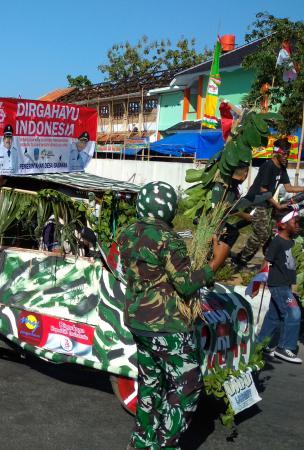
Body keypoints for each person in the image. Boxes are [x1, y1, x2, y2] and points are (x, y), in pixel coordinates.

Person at [116, 181, 229, 450]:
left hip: (138, 323)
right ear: (169, 209)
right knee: (187, 387)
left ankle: (141, 442)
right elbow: (186, 283)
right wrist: (217, 261)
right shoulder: (168, 240)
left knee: (151, 383)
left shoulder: (126, 233)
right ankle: (166, 445)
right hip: (167, 327)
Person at [233, 138, 304, 267]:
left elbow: (289, 187)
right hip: (256, 202)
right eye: (284, 154)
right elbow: (263, 190)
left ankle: (270, 261)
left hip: (267, 204)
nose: (286, 156)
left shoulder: (282, 168)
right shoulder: (268, 166)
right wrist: (277, 205)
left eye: (287, 154)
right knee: (262, 233)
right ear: (276, 152)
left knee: (271, 233)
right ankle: (240, 259)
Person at [255, 209, 302, 364]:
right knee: (293, 312)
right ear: (283, 224)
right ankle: (284, 347)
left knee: (273, 317)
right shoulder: (277, 242)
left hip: (285, 285)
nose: (298, 225)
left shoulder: (294, 242)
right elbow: (267, 261)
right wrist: (259, 280)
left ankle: (260, 345)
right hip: (278, 284)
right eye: (295, 222)